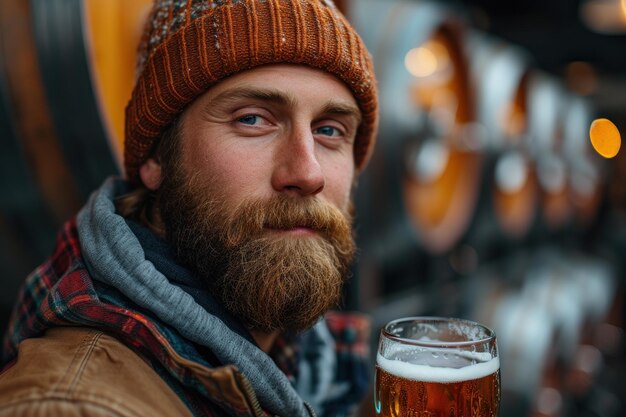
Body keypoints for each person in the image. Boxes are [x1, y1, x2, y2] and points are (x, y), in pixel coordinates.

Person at [0, 0, 378, 416]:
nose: (308, 174)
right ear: (157, 158)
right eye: (252, 119)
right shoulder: (79, 406)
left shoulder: (308, 357)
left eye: (329, 130)